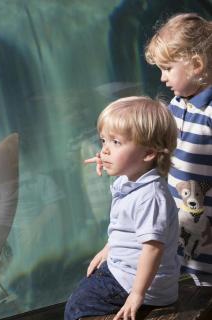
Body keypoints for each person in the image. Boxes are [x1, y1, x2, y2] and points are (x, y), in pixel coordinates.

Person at [64, 96, 180, 320]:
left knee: (78, 307)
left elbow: (153, 248)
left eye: (115, 142)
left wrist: (137, 295)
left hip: (142, 285)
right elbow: (126, 227)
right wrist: (109, 249)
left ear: (148, 153)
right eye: (103, 141)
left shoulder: (151, 196)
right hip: (127, 269)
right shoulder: (133, 180)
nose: (105, 150)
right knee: (82, 292)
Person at [144, 13, 212, 277]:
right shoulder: (175, 106)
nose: (162, 78)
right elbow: (156, 149)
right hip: (183, 236)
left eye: (167, 68)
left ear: (196, 64)